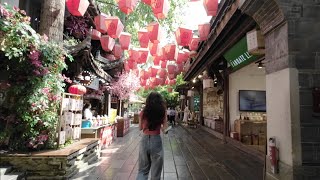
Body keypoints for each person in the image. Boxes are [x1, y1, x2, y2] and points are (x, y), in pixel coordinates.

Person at [137, 92, 168, 180]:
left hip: (144, 139)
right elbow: (165, 128)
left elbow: (140, 128)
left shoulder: (143, 112)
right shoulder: (162, 111)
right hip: (156, 140)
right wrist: (163, 129)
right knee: (156, 172)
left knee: (143, 170)